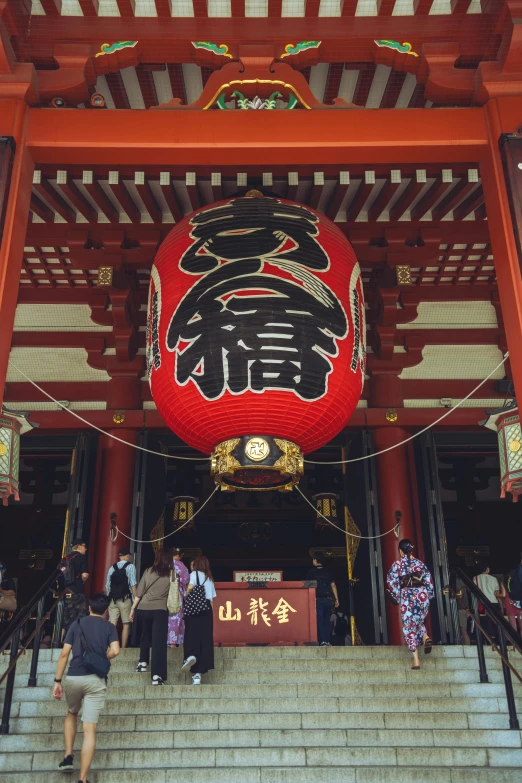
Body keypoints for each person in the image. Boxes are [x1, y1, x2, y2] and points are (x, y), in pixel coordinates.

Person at [53, 593, 120, 783]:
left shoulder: (77, 624)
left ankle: (67, 756)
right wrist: (101, 658)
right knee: (89, 729)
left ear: (89, 607)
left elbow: (65, 654)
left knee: (71, 713)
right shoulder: (109, 627)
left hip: (74, 677)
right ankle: (83, 779)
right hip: (95, 680)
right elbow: (115, 650)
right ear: (106, 609)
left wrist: (57, 681)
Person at [387, 539, 434, 670]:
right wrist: (429, 596)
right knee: (418, 621)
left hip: (408, 598)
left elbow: (392, 582)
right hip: (422, 596)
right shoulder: (420, 564)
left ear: (400, 551)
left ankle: (416, 660)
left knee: (409, 628)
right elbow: (429, 581)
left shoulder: (397, 565)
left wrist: (397, 595)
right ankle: (425, 637)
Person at [130, 547, 172, 685]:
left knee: (145, 635)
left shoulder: (148, 571)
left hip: (143, 608)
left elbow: (139, 593)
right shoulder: (172, 574)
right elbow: (175, 593)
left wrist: (132, 609)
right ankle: (156, 676)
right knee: (158, 643)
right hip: (160, 609)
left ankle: (142, 663)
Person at [182, 555, 216, 685]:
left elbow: (190, 587)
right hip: (206, 610)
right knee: (204, 639)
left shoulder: (194, 574)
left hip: (194, 609)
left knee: (191, 634)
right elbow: (211, 600)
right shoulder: (210, 579)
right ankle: (198, 674)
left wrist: (186, 594)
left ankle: (190, 655)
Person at [104, 547, 138, 649]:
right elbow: (133, 584)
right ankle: (123, 647)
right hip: (125, 599)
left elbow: (107, 586)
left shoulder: (112, 568)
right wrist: (135, 599)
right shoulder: (130, 567)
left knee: (112, 624)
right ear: (127, 555)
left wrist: (110, 597)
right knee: (126, 624)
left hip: (113, 600)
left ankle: (111, 647)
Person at [306, 553, 339, 646]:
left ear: (316, 560)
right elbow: (333, 585)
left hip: (317, 600)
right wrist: (336, 599)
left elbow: (308, 586)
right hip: (328, 599)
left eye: (313, 560)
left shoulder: (311, 572)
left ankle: (322, 641)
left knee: (319, 620)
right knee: (327, 620)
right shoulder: (328, 571)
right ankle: (327, 640)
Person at [60, 538, 89, 635]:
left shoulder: (65, 558)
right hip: (77, 591)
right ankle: (73, 641)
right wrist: (83, 580)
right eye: (84, 546)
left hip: (65, 591)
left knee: (65, 617)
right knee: (79, 615)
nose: (86, 548)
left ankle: (60, 641)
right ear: (79, 546)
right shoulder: (81, 557)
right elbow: (84, 575)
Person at [474, 563, 502, 643]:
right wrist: (501, 605)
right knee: (496, 623)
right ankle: (498, 641)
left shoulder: (475, 578)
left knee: (485, 623)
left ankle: (487, 641)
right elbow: (497, 594)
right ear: (487, 569)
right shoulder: (494, 579)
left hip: (482, 604)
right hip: (494, 603)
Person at [167, 548, 190, 647]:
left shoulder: (164, 564)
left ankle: (166, 640)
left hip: (165, 593)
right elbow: (185, 580)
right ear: (178, 555)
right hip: (176, 593)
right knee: (176, 617)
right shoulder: (180, 565)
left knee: (166, 617)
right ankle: (175, 642)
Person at [455, 575, 471, 645]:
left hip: (461, 608)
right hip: (464, 608)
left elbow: (460, 595)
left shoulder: (458, 582)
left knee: (463, 630)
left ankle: (467, 648)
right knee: (463, 630)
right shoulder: (462, 582)